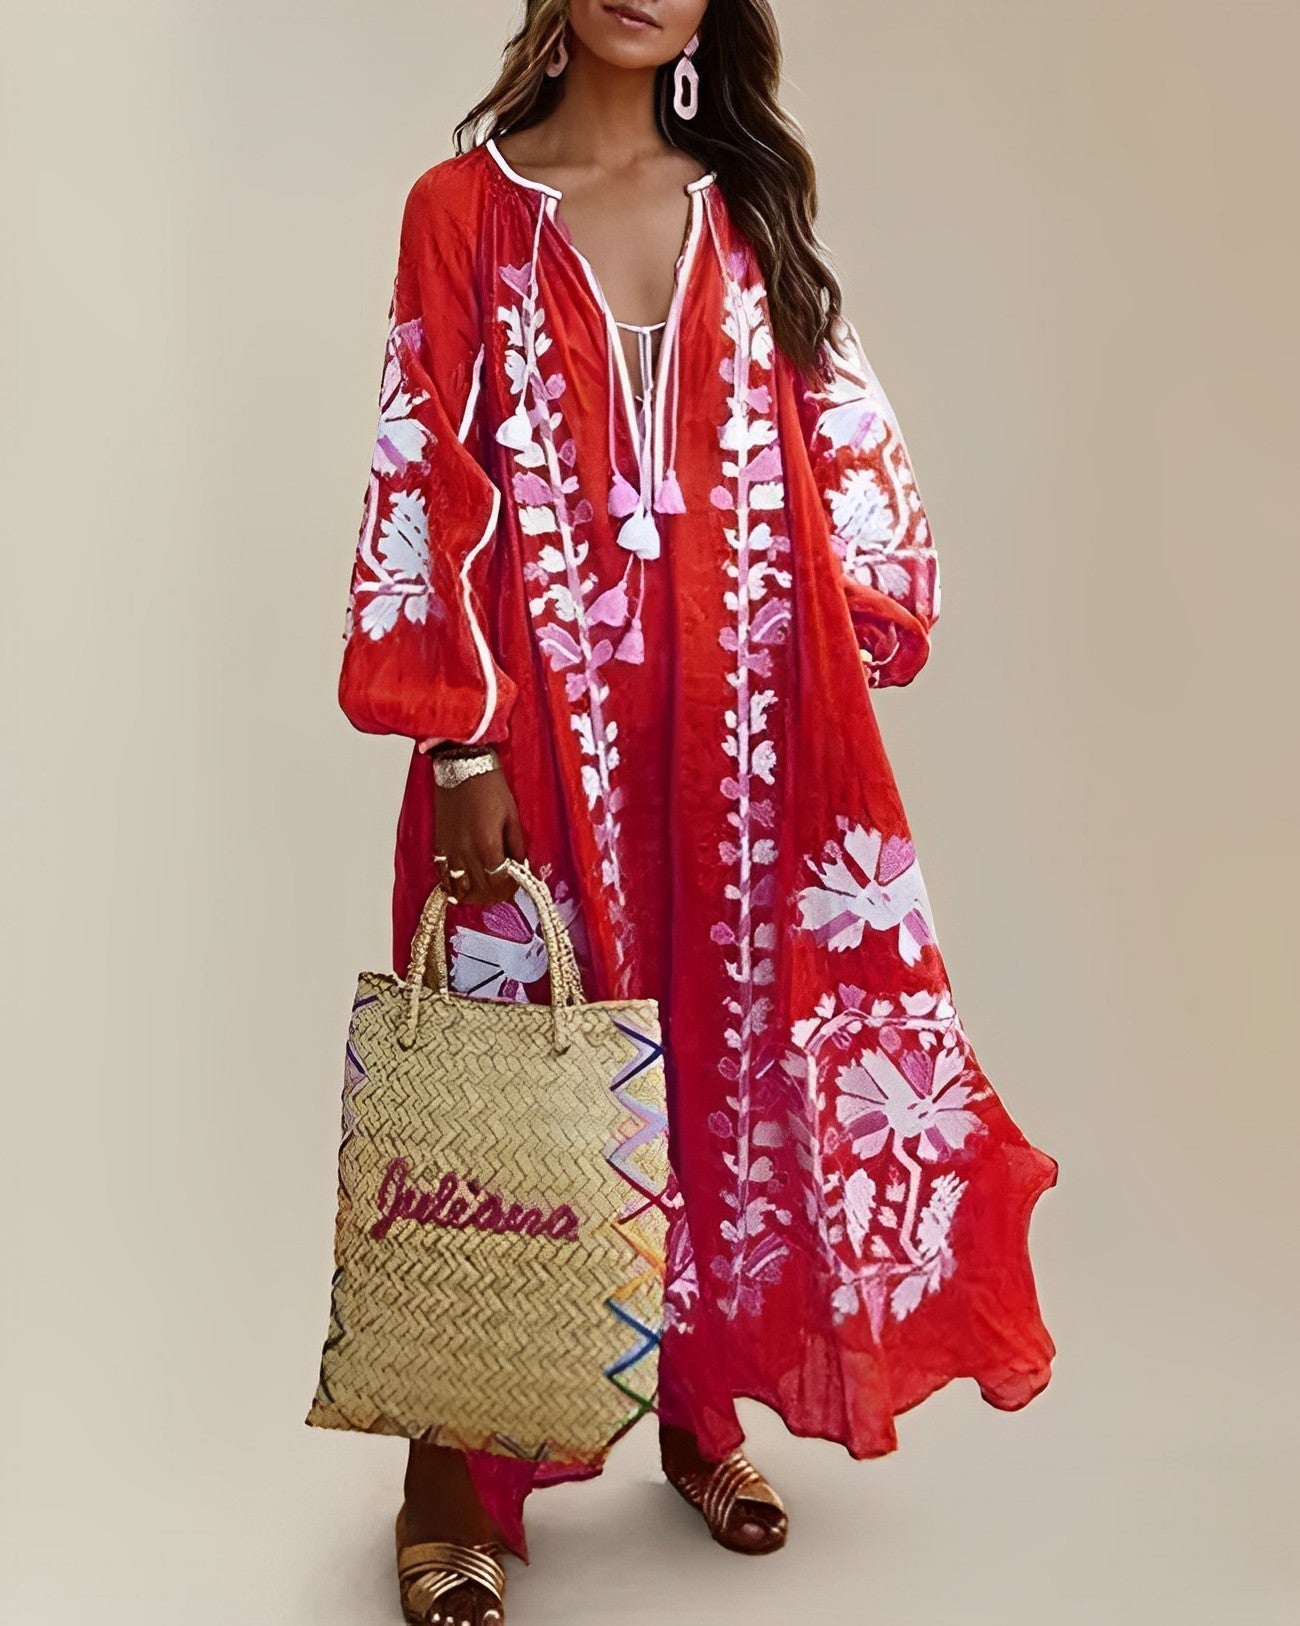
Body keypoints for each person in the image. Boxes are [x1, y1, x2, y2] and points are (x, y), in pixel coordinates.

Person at [336, 3, 1057, 1621]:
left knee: (724, 1057)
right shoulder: (463, 212)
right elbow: (420, 464)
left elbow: (834, 422)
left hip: (740, 723)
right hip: (537, 714)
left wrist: (854, 615)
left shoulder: (745, 205)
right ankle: (448, 1472)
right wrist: (457, 743)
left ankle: (698, 1399)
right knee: (509, 1082)